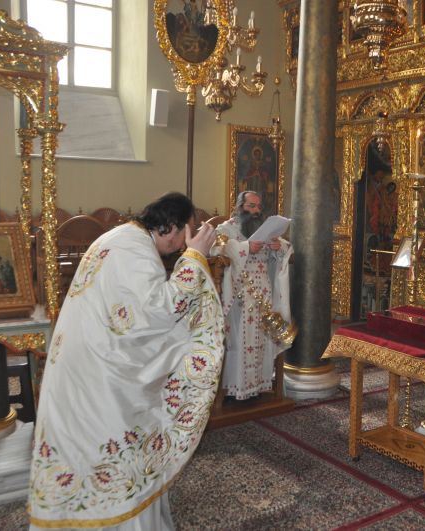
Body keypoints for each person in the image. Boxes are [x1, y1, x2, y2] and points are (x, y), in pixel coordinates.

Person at [28, 192, 224, 530]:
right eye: (183, 237)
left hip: (85, 361)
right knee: (110, 444)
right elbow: (154, 314)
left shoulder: (121, 237)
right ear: (172, 227)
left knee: (85, 450)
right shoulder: (133, 249)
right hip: (98, 373)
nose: (179, 247)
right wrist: (195, 257)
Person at [212, 191, 293, 400]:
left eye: (258, 206)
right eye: (250, 206)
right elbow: (215, 250)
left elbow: (282, 251)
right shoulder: (226, 228)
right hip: (239, 292)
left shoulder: (263, 228)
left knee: (261, 339)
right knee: (239, 339)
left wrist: (279, 247)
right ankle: (235, 389)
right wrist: (246, 247)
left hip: (263, 291)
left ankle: (257, 387)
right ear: (239, 206)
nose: (255, 211)